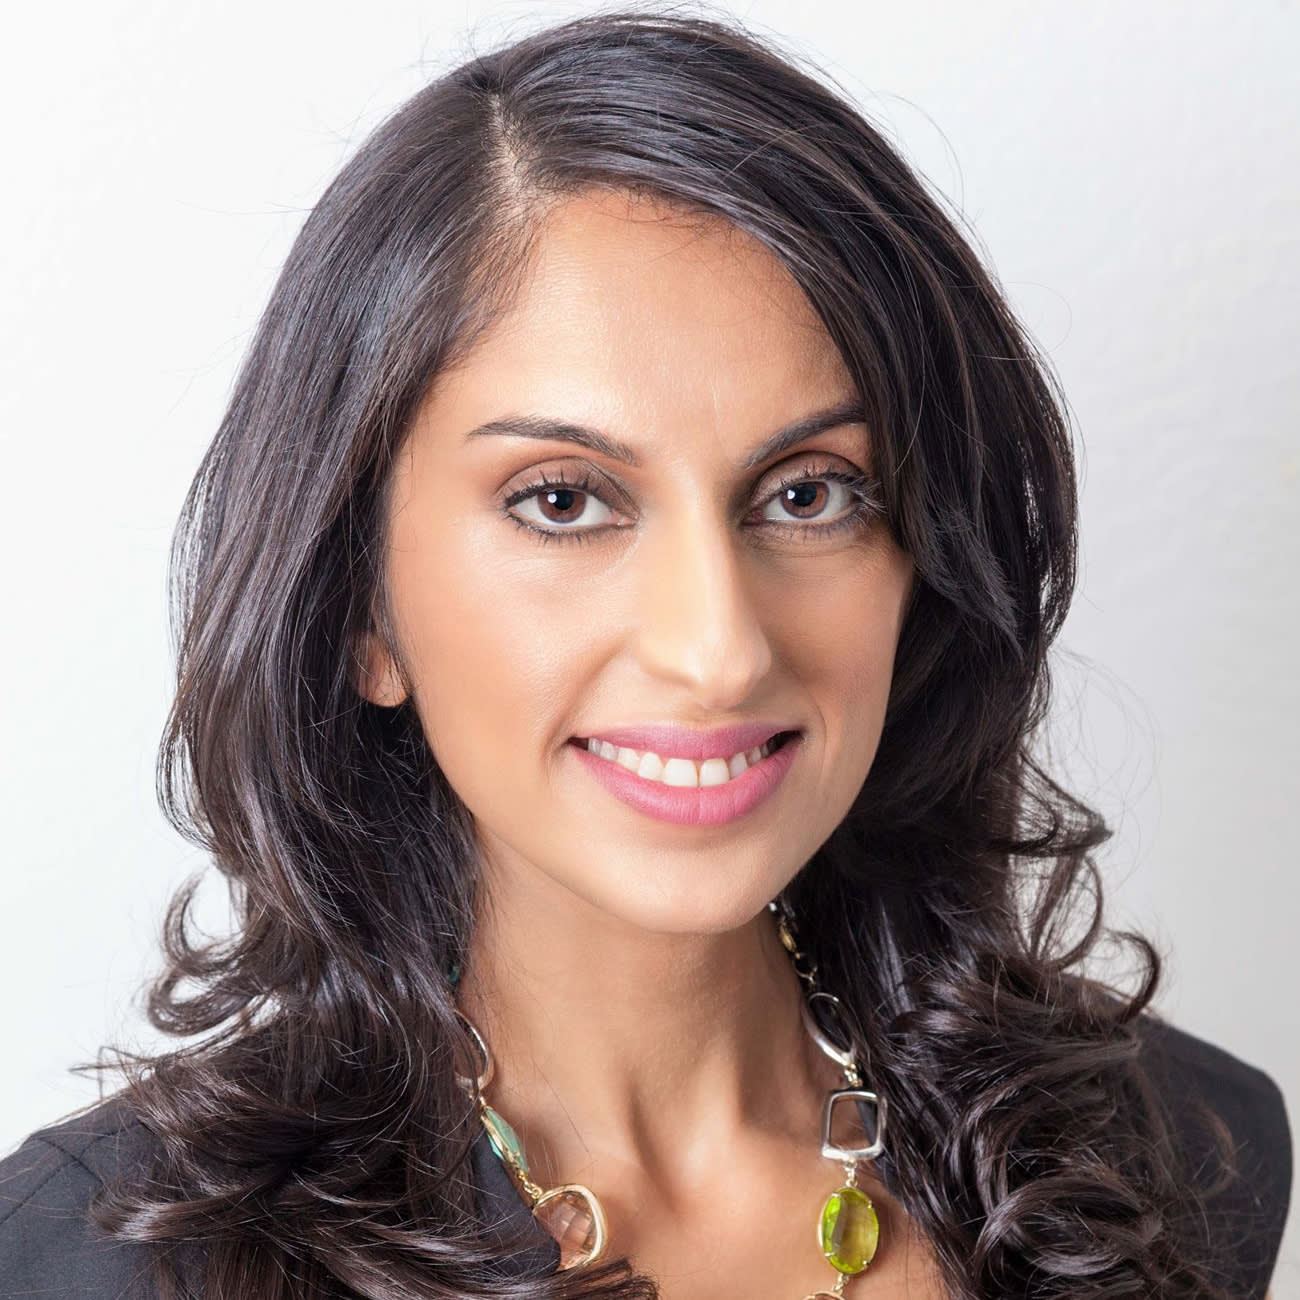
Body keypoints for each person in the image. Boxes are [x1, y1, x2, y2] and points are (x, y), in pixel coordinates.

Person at [0, 9, 1290, 1299]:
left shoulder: (1180, 1154)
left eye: (808, 494)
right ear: (363, 611)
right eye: (564, 501)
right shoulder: (97, 1261)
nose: (717, 650)